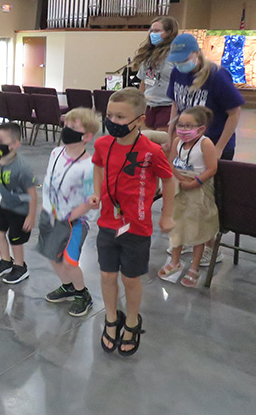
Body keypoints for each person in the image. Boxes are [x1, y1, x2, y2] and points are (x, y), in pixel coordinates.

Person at [89, 87, 175, 356]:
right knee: (107, 274)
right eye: (109, 115)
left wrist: (167, 214)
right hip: (107, 223)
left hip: (137, 227)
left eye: (120, 117)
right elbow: (98, 165)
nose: (112, 121)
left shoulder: (151, 151)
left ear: (139, 120)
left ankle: (132, 320)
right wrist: (96, 191)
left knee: (130, 279)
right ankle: (111, 317)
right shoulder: (103, 144)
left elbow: (168, 180)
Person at [166, 32, 244, 266]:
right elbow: (176, 105)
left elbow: (234, 113)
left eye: (184, 59)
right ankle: (188, 238)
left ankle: (211, 248)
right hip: (186, 145)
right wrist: (171, 137)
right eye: (176, 60)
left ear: (196, 54)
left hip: (211, 144)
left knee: (207, 201)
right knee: (185, 196)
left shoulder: (217, 76)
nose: (180, 64)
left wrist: (219, 148)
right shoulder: (177, 73)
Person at [38, 108, 99, 318]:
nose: (66, 130)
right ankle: (68, 287)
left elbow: (90, 201)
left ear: (87, 137)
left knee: (69, 261)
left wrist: (70, 216)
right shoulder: (56, 153)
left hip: (75, 221)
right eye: (66, 125)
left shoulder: (89, 166)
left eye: (73, 127)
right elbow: (50, 180)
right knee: (53, 256)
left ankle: (82, 294)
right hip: (51, 215)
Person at [158, 106, 219, 287]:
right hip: (179, 187)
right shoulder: (178, 142)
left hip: (199, 189)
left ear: (201, 129)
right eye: (180, 125)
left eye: (188, 126)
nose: (183, 130)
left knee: (197, 229)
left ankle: (194, 267)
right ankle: (174, 262)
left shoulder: (205, 144)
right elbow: (170, 163)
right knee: (177, 225)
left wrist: (195, 182)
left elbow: (212, 168)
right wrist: (177, 178)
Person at [0, 122, 37, 285]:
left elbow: (33, 194)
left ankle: (20, 267)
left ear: (15, 144)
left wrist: (31, 216)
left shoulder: (22, 168)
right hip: (5, 206)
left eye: (1, 140)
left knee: (15, 239)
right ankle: (6, 261)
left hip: (21, 210)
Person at [132, 16, 179, 131]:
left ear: (169, 32)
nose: (153, 34)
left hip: (167, 106)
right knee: (145, 139)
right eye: (151, 31)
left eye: (157, 31)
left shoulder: (176, 55)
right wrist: (140, 105)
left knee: (160, 140)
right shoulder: (148, 54)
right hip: (149, 106)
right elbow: (143, 82)